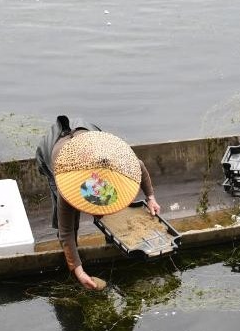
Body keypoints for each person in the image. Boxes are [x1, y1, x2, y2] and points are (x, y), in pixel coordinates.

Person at [35, 115, 161, 291]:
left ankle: (110, 240)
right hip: (53, 150)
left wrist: (151, 198)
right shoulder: (68, 184)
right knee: (70, 222)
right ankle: (71, 258)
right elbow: (66, 232)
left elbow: (138, 166)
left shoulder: (112, 160)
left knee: (109, 206)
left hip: (87, 133)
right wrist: (79, 272)